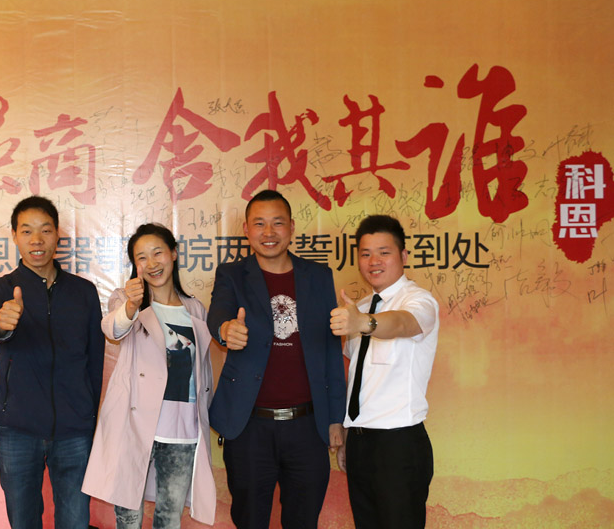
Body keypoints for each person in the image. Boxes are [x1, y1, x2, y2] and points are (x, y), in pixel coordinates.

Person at [207, 190, 346, 528]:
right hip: (249, 426)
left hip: (307, 426)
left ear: (292, 227)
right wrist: (226, 330)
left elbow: (331, 349)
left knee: (304, 520)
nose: (268, 233)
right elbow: (218, 315)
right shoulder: (232, 275)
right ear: (246, 229)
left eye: (277, 223)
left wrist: (335, 418)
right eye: (259, 224)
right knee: (250, 519)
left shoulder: (318, 276)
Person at [0, 195, 104, 529]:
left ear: (57, 234)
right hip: (17, 428)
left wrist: (90, 417)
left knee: (75, 522)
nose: (37, 240)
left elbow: (95, 361)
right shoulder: (0, 288)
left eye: (45, 230)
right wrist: (1, 322)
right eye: (27, 231)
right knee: (23, 522)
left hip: (74, 430)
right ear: (14, 236)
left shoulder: (83, 292)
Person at [82, 223, 216, 528]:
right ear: (135, 265)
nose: (152, 263)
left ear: (174, 253)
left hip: (183, 430)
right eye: (141, 257)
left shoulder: (195, 308)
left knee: (169, 519)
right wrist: (131, 305)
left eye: (158, 253)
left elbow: (203, 372)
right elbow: (113, 329)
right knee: (128, 518)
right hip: (133, 426)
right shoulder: (126, 300)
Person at [330, 214, 439, 529]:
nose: (373, 261)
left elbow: (403, 323)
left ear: (403, 256)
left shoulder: (419, 300)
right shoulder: (361, 307)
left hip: (399, 445)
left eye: (384, 252)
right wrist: (349, 432)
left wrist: (365, 323)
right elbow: (360, 379)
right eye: (365, 254)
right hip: (360, 442)